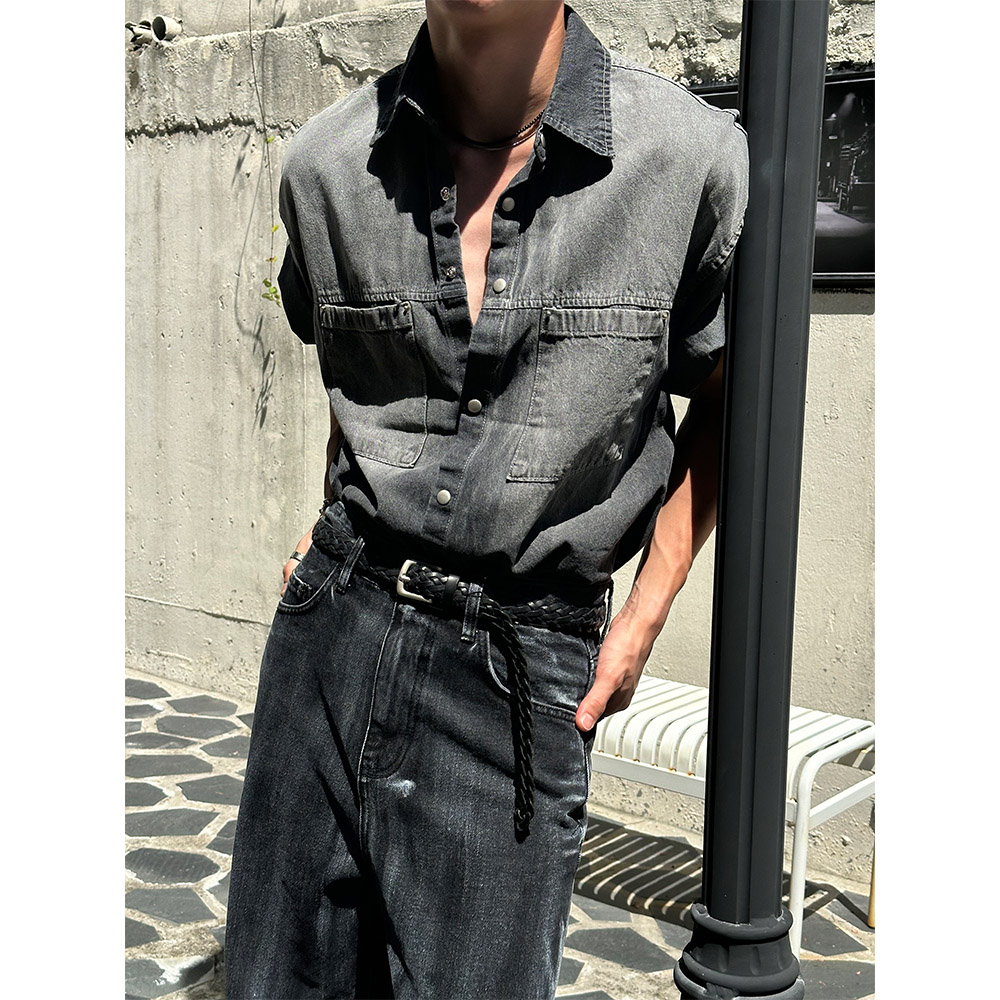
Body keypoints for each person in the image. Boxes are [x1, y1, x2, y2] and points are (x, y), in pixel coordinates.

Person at [225, 1, 749, 997]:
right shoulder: (327, 164)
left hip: (516, 666)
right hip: (332, 637)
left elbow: (730, 394)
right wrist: (324, 526)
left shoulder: (688, 162)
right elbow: (356, 376)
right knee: (274, 980)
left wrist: (647, 607)